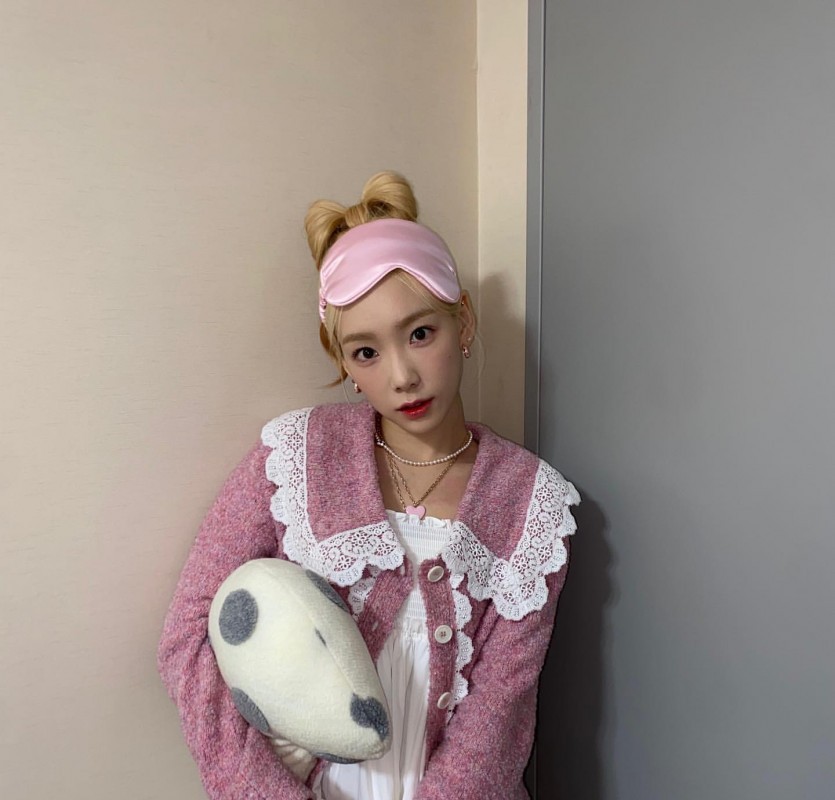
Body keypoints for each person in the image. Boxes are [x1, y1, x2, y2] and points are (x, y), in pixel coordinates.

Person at [158, 171, 579, 800]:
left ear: (463, 321)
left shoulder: (531, 504)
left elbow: (498, 727)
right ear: (343, 362)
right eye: (366, 352)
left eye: (420, 334)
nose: (403, 376)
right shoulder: (294, 457)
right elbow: (187, 638)